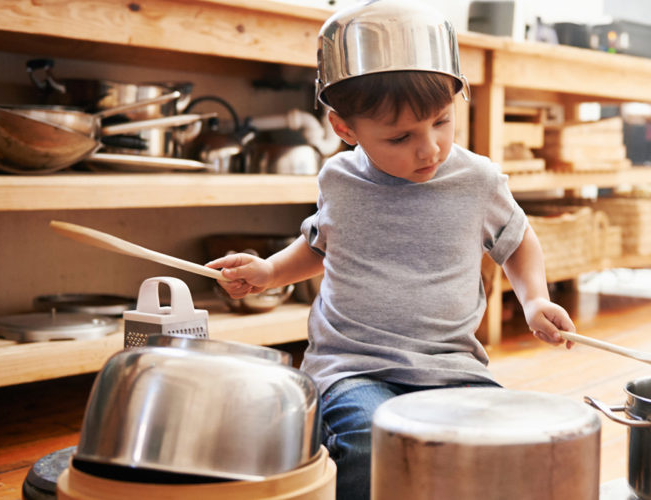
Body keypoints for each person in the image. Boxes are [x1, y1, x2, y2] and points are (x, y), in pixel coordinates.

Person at [206, 1, 575, 498]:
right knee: (373, 443)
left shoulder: (478, 180)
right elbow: (320, 244)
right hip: (353, 368)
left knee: (493, 442)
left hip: (451, 368)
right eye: (400, 136)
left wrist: (534, 300)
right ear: (344, 129)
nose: (430, 150)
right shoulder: (338, 179)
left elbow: (518, 241)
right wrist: (270, 273)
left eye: (442, 122)